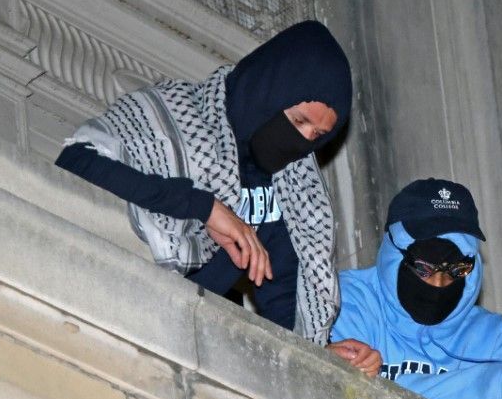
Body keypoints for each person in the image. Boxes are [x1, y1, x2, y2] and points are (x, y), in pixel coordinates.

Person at [55, 20, 350, 340]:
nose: (303, 140)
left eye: (317, 135)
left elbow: (283, 298)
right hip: (104, 299)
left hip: (178, 333)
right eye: (298, 121)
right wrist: (205, 207)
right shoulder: (175, 114)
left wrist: (320, 352)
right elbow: (76, 160)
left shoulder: (289, 191)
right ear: (267, 90)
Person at [326, 178, 502, 399]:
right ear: (394, 252)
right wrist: (490, 386)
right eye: (424, 269)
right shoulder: (347, 299)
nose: (439, 285)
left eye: (456, 272)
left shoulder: (487, 334)